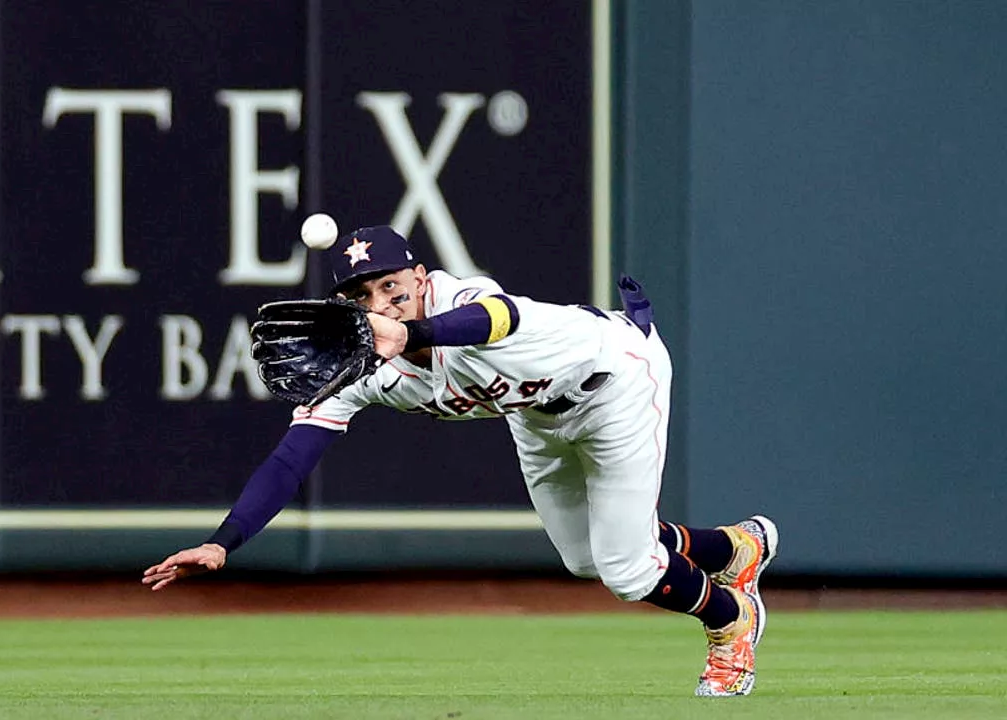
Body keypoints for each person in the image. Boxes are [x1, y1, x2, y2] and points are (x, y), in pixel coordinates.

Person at [143, 225, 779, 697]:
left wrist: (412, 333)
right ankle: (730, 551)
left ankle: (731, 619)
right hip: (535, 418)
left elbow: (494, 318)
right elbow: (291, 458)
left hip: (614, 383)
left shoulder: (460, 299)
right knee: (585, 559)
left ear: (421, 279)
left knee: (626, 568)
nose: (383, 303)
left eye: (392, 285)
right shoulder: (362, 367)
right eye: (366, 296)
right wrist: (225, 542)